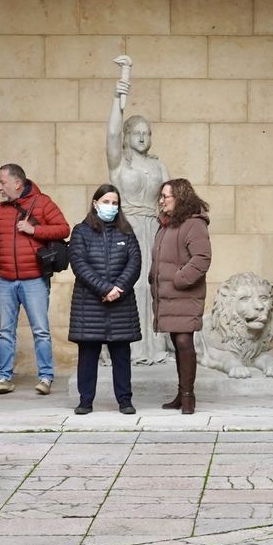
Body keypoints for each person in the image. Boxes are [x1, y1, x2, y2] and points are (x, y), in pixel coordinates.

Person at [0, 163, 68, 396]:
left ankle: (45, 377)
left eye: (2, 182)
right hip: (5, 280)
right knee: (5, 331)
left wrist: (34, 230)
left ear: (17, 183)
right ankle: (4, 377)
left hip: (34, 279)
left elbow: (63, 229)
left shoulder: (43, 202)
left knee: (41, 331)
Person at [107, 77, 170, 365]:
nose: (143, 138)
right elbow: (111, 135)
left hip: (154, 227)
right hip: (127, 227)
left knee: (153, 283)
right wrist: (118, 103)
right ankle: (129, 347)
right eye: (137, 133)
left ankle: (155, 346)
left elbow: (170, 198)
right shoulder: (120, 163)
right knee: (131, 285)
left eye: (147, 133)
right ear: (128, 136)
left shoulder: (159, 166)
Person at [68, 184, 142, 415]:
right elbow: (79, 264)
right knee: (88, 354)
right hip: (89, 304)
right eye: (106, 202)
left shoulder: (126, 232)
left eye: (114, 203)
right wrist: (104, 289)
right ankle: (85, 400)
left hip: (121, 304)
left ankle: (125, 400)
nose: (111, 207)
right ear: (95, 203)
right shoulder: (81, 231)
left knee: (121, 355)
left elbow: (135, 263)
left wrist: (118, 288)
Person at [150, 178, 212, 415]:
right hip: (169, 296)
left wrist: (178, 279)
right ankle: (182, 392)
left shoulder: (194, 224)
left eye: (166, 196)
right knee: (178, 343)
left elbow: (202, 258)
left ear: (180, 197)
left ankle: (188, 397)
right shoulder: (167, 224)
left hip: (184, 294)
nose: (162, 201)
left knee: (185, 342)